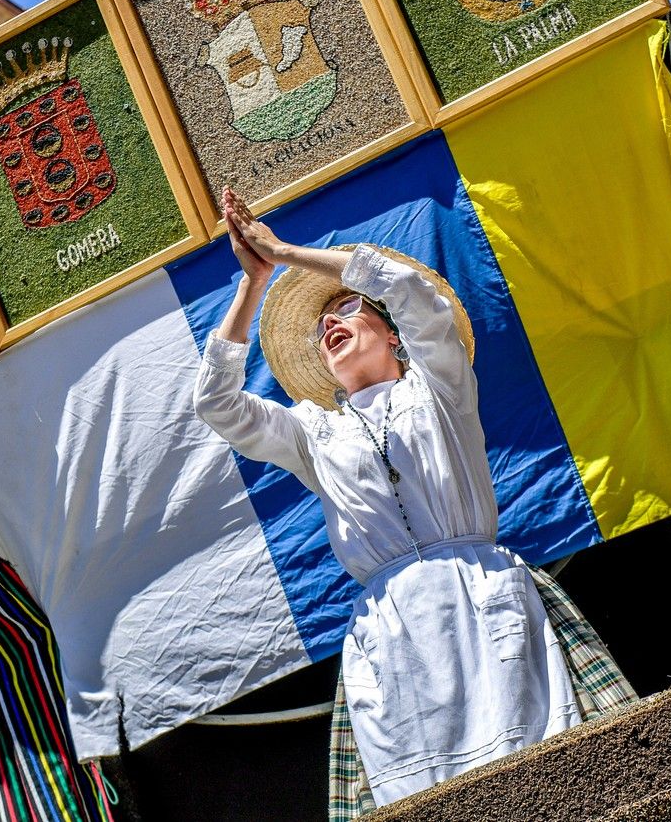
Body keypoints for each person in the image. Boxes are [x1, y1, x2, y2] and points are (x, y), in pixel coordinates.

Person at [193, 187, 581, 805]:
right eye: (323, 325)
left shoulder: (440, 387)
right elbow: (217, 404)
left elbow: (415, 294)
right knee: (427, 800)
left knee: (538, 782)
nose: (329, 323)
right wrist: (253, 282)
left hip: (480, 601)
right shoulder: (312, 431)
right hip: (394, 629)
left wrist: (288, 254)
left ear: (393, 334)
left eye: (348, 307)